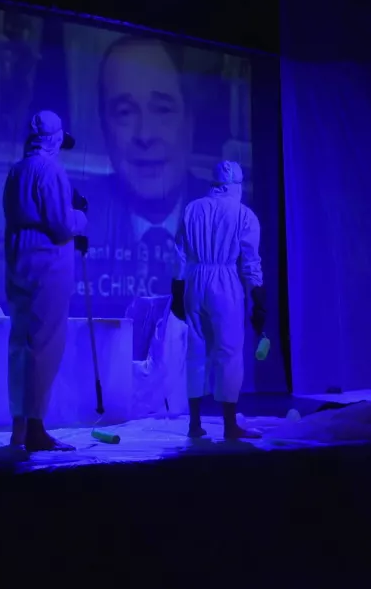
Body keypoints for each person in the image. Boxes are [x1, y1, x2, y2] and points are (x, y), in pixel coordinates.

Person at [70, 35, 211, 317]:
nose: (145, 134)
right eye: (125, 112)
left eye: (162, 109)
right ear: (104, 129)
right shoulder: (71, 221)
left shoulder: (225, 221)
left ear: (189, 122)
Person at [4, 110, 88, 451]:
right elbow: (61, 226)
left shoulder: (17, 169)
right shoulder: (50, 170)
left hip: (19, 256)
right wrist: (80, 214)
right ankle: (36, 428)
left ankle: (19, 426)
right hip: (48, 259)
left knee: (19, 343)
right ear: (54, 139)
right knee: (45, 343)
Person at [170, 161, 266, 439]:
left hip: (194, 281)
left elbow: (179, 253)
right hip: (225, 282)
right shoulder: (244, 214)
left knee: (195, 351)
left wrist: (177, 288)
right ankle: (229, 425)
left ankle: (194, 423)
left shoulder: (192, 208)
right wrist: (258, 297)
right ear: (236, 185)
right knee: (229, 352)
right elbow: (250, 262)